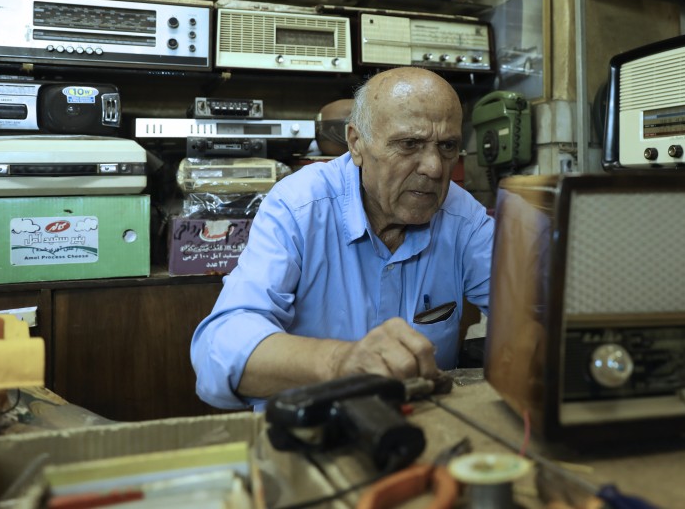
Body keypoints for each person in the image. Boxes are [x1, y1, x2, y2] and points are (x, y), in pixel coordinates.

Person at [190, 67, 495, 410]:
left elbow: (532, 313)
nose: (435, 168)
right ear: (356, 143)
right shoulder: (299, 206)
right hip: (312, 433)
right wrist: (340, 364)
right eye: (409, 144)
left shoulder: (461, 216)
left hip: (422, 428)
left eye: (447, 146)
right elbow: (217, 349)